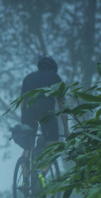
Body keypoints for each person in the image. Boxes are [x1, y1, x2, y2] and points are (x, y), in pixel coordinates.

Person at [20, 55, 68, 187]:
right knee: (54, 147)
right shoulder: (56, 78)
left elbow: (22, 104)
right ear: (53, 69)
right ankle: (42, 174)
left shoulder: (28, 78)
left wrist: (23, 124)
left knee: (27, 147)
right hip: (46, 110)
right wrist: (67, 130)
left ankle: (25, 182)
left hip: (28, 111)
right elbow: (62, 106)